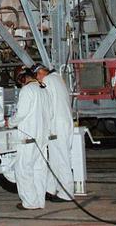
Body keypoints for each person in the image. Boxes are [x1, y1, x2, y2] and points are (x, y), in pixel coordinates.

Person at [6, 66, 50, 211]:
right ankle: (39, 201)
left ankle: (30, 202)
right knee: (39, 169)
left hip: (29, 136)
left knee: (23, 169)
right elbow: (49, 112)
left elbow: (21, 114)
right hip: (42, 135)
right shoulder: (43, 89)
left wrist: (9, 122)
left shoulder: (27, 90)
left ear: (22, 78)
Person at [35, 63, 75, 201]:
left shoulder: (47, 80)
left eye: (37, 77)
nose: (38, 80)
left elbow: (47, 106)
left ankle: (66, 193)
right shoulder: (57, 78)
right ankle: (51, 188)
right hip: (65, 122)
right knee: (55, 158)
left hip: (57, 124)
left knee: (61, 158)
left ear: (41, 73)